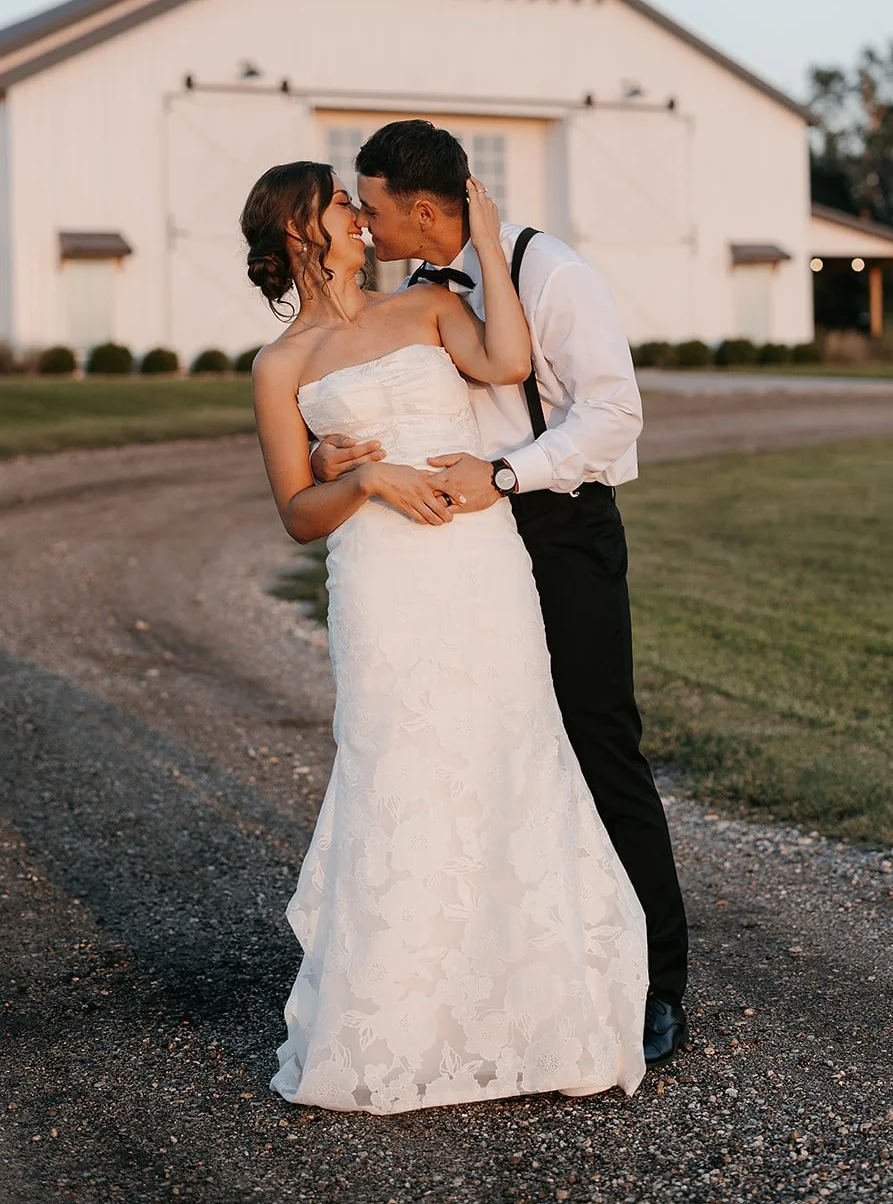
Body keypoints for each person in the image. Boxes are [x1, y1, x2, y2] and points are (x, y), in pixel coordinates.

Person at [241, 159, 648, 1115]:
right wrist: (365, 482)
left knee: (508, 751)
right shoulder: (278, 366)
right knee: (400, 766)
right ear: (302, 233)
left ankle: (534, 1016)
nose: (357, 214)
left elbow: (506, 364)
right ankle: (400, 1024)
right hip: (381, 579)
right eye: (339, 205)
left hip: (477, 562)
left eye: (356, 199)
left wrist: (491, 240)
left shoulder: (423, 308)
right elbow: (300, 513)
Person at [312, 120, 690, 1067]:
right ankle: (511, 968)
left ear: (425, 210)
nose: (360, 217)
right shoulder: (413, 292)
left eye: (371, 203)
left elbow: (612, 415)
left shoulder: (551, 273)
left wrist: (511, 477)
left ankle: (655, 982)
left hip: (556, 528)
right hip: (462, 550)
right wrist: (333, 447)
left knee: (598, 740)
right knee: (485, 752)